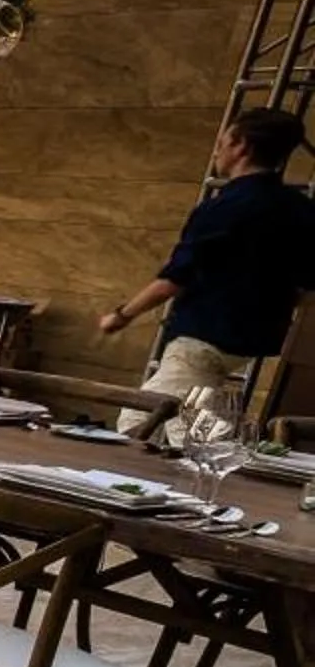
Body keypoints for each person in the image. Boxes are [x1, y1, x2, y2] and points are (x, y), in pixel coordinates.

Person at [99, 109, 315, 436]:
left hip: (204, 336)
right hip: (250, 339)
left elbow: (173, 279)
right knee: (186, 420)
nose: (217, 151)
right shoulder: (300, 209)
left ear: (241, 146)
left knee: (141, 424)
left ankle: (207, 470)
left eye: (222, 142)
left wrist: (121, 315)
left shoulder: (224, 207)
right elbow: (308, 284)